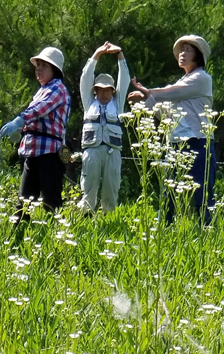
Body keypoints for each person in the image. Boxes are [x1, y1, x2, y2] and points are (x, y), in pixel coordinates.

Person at [128, 34, 215, 222]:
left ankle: (205, 235)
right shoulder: (182, 82)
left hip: (198, 143)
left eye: (188, 50)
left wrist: (147, 93)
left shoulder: (202, 78)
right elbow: (166, 115)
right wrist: (143, 102)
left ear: (198, 55)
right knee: (169, 195)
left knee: (201, 196)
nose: (182, 54)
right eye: (181, 50)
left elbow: (172, 93)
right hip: (175, 144)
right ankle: (166, 234)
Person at [0, 46, 70, 218]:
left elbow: (39, 110)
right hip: (32, 151)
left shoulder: (58, 89)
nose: (38, 69)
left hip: (49, 153)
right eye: (37, 65)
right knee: (23, 202)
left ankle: (55, 239)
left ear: (55, 70)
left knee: (51, 202)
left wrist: (19, 120)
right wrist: (20, 128)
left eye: (44, 65)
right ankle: (18, 238)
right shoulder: (41, 91)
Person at [77, 42, 130, 213]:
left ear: (113, 91)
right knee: (88, 188)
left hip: (113, 151)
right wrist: (97, 54)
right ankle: (86, 219)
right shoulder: (89, 103)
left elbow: (125, 78)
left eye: (108, 90)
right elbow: (85, 78)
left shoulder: (117, 104)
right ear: (95, 91)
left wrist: (119, 54)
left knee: (111, 188)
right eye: (100, 89)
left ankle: (108, 222)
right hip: (91, 151)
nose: (104, 93)